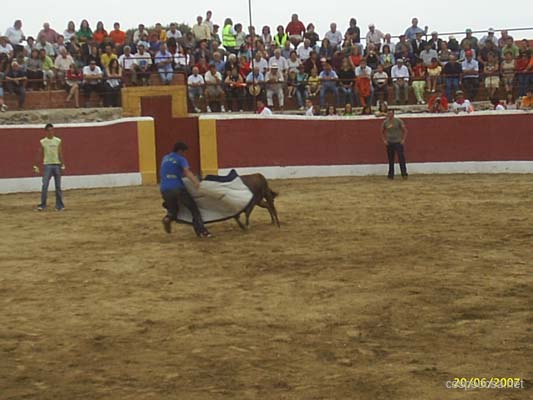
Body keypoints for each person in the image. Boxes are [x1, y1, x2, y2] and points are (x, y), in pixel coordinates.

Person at [160, 142, 211, 238]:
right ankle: (202, 232)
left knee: (173, 210)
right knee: (194, 209)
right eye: (183, 152)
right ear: (180, 150)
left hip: (164, 189)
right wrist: (196, 182)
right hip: (177, 188)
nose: (184, 154)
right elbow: (187, 172)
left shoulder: (165, 158)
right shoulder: (181, 159)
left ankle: (168, 218)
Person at [34, 124, 65, 211]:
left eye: (52, 130)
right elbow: (39, 153)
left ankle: (59, 206)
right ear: (46, 131)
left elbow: (60, 153)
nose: (51, 132)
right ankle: (42, 205)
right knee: (45, 186)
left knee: (58, 186)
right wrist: (35, 165)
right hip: (47, 165)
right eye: (49, 130)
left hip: (57, 164)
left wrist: (63, 165)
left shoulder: (58, 141)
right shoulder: (43, 142)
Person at [381, 109, 408, 180]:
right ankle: (391, 175)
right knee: (391, 159)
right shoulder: (385, 122)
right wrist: (384, 140)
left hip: (398, 142)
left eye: (391, 113)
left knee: (401, 158)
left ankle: (404, 174)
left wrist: (403, 139)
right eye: (388, 113)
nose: (389, 115)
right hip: (390, 142)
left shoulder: (398, 121)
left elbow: (405, 130)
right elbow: (382, 131)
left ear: (393, 114)